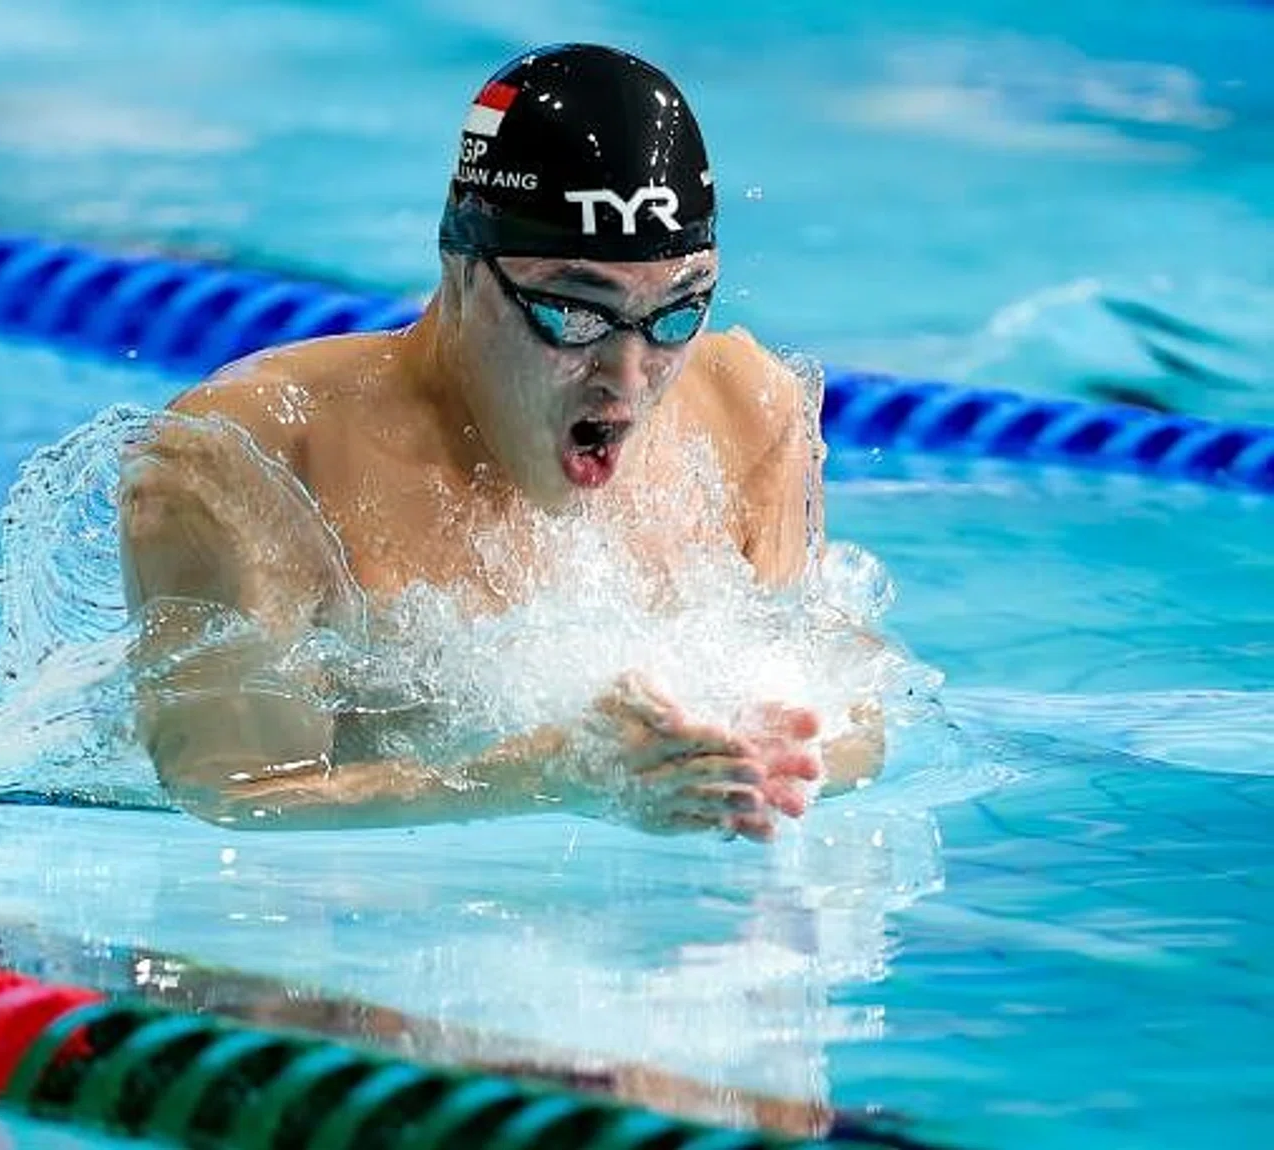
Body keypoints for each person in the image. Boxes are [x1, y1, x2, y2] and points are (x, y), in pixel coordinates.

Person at [115, 42, 885, 842]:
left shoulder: (749, 411)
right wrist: (538, 778)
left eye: (679, 314)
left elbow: (856, 712)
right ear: (462, 269)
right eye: (574, 314)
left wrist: (776, 750)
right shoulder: (253, 461)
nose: (629, 376)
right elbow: (231, 798)